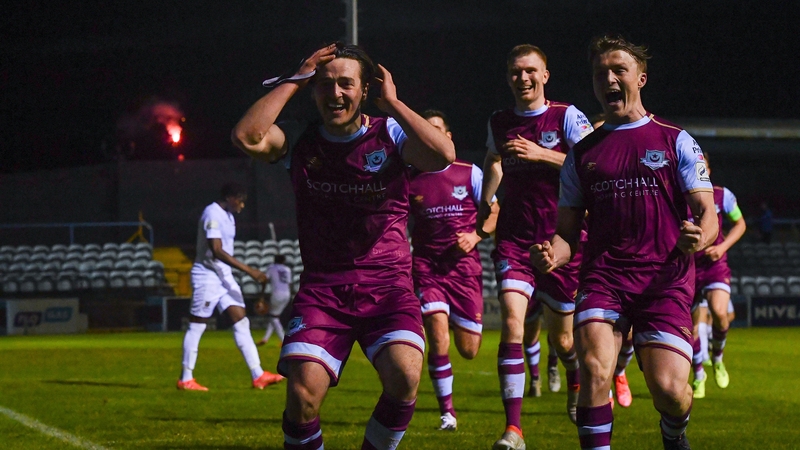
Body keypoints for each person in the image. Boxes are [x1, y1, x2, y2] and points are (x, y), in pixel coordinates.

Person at [231, 42, 455, 449]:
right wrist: (295, 80)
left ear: (365, 89)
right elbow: (247, 137)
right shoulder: (299, 140)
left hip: (388, 286)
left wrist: (394, 103)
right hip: (324, 289)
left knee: (405, 377)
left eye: (346, 84)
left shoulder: (390, 134)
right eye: (325, 84)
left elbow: (443, 154)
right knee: (302, 397)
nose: (335, 94)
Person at [531, 35, 718, 450]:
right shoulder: (582, 154)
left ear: (641, 78)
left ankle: (674, 434)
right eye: (601, 73)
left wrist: (697, 237)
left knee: (670, 391)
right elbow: (566, 234)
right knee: (596, 371)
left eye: (619, 71)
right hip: (605, 278)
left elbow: (708, 216)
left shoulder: (675, 140)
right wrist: (552, 255)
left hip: (664, 282)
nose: (609, 79)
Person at [477, 44, 593, 450]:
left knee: (563, 341)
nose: (522, 78)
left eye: (530, 71)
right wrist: (486, 199)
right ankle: (513, 430)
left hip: (563, 241)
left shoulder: (567, 116)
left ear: (545, 75)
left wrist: (542, 153)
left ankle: (574, 379)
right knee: (511, 322)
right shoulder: (499, 121)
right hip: (514, 239)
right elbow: (493, 160)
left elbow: (596, 163)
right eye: (514, 72)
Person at [408, 109, 499, 431]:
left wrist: (476, 236)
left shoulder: (469, 172)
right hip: (428, 268)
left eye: (436, 130)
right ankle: (447, 413)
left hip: (464, 270)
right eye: (424, 131)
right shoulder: (410, 178)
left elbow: (494, 211)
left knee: (469, 350)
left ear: (447, 138)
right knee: (437, 337)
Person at [178, 182, 285, 391]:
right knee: (197, 326)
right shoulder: (212, 213)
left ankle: (258, 375)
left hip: (223, 277)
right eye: (240, 200)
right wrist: (249, 270)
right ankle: (186, 378)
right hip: (207, 276)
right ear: (229, 197)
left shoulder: (229, 217)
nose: (242, 205)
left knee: (241, 321)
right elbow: (216, 250)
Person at [689, 151, 746, 399]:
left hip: (715, 265)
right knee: (691, 330)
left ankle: (718, 357)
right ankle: (699, 374)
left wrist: (722, 247)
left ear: (709, 171)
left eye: (703, 166)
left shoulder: (723, 195)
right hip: (688, 267)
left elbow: (740, 223)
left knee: (721, 315)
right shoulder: (678, 197)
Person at [257, 254, 293, 346]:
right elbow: (289, 284)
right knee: (273, 316)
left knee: (274, 317)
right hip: (287, 294)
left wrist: (262, 294)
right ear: (283, 261)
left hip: (277, 294)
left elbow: (265, 280)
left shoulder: (271, 268)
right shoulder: (287, 269)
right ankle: (265, 339)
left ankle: (284, 340)